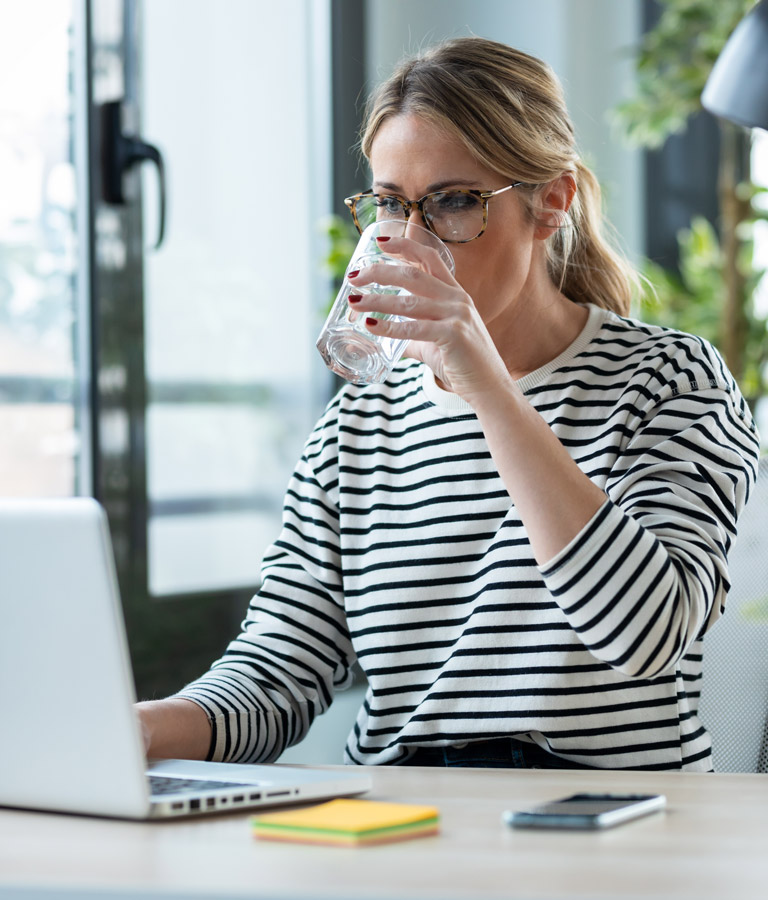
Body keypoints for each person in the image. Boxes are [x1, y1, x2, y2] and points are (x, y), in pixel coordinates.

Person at [137, 36, 759, 771]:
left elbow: (647, 634)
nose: (412, 239)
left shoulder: (669, 380)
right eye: (394, 205)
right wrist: (129, 728)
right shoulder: (353, 432)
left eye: (454, 202)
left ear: (551, 201)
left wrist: (489, 390)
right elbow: (275, 679)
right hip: (408, 828)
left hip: (611, 831)